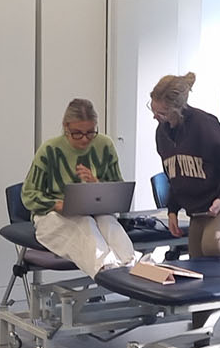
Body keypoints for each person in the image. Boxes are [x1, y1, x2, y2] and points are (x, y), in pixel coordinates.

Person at [21, 97, 136, 277]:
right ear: (65, 127)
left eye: (90, 132)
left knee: (108, 222)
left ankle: (131, 265)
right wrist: (58, 204)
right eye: (77, 133)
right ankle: (107, 270)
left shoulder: (104, 146)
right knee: (85, 223)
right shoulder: (50, 149)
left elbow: (118, 190)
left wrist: (95, 184)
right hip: (51, 216)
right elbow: (29, 194)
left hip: (95, 213)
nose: (85, 139)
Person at [151, 71, 220, 257]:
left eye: (162, 113)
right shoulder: (162, 134)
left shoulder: (204, 125)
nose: (155, 117)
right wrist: (172, 210)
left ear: (177, 109)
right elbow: (174, 177)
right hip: (199, 212)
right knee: (197, 264)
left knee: (213, 244)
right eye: (153, 110)